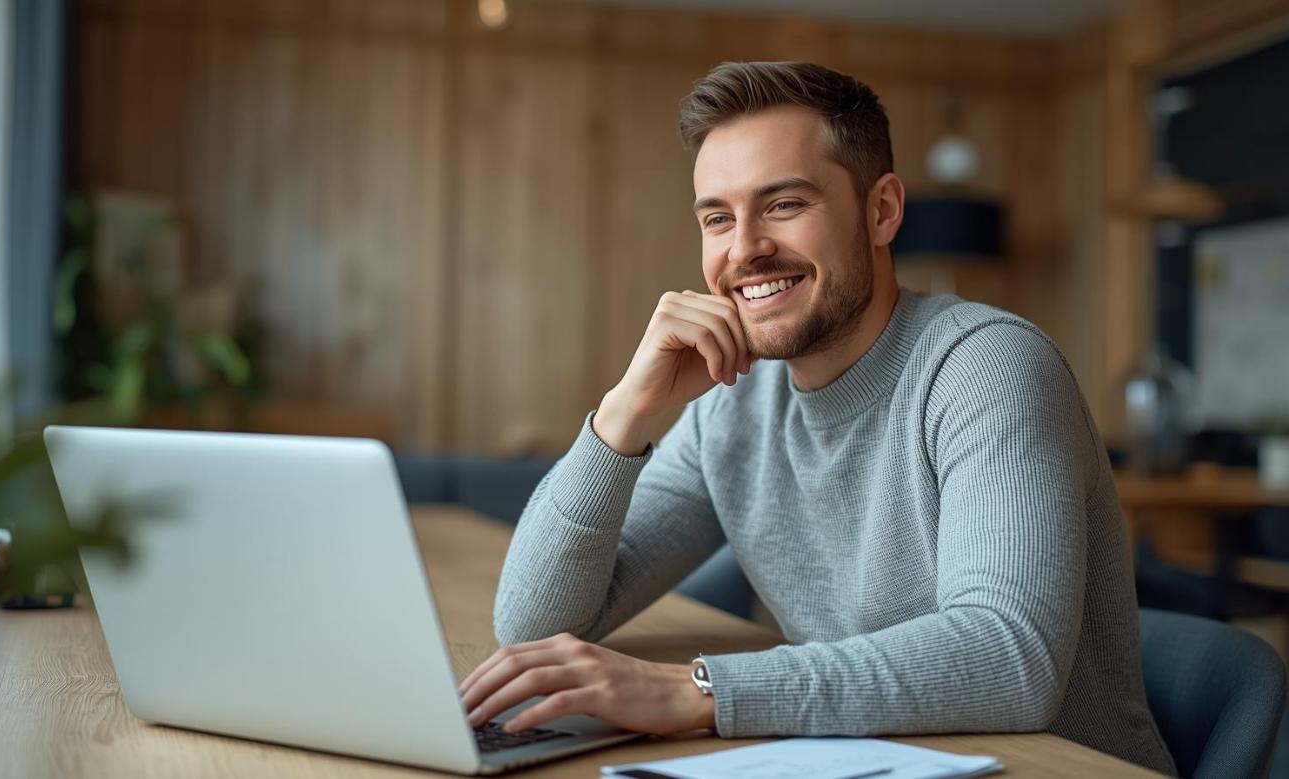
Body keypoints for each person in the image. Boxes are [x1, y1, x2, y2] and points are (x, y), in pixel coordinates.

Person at [458, 61, 1175, 775]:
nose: (744, 249)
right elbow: (535, 623)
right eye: (717, 218)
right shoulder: (734, 403)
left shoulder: (987, 367)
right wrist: (625, 410)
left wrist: (697, 689)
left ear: (881, 211)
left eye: (783, 204)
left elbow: (1010, 657)